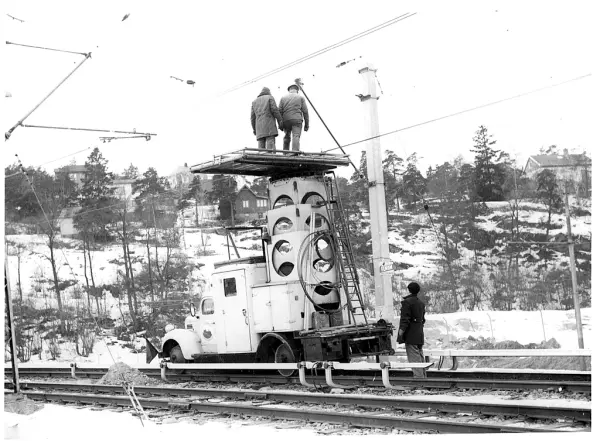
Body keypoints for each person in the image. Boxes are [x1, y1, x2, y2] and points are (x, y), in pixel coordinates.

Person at [397, 282, 427, 378]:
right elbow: (423, 319)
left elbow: (405, 319)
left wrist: (401, 331)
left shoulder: (407, 302)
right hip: (419, 333)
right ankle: (423, 377)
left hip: (411, 334)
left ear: (409, 290)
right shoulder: (421, 303)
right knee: (420, 355)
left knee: (414, 357)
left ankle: (419, 379)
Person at [278, 84, 309, 152]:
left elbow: (279, 111)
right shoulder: (300, 97)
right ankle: (294, 152)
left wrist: (280, 124)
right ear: (297, 90)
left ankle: (285, 152)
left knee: (287, 135)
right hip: (297, 119)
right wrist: (306, 125)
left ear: (289, 90)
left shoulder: (283, 98)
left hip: (286, 120)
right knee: (296, 135)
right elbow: (305, 111)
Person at [251, 87, 283, 151]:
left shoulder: (254, 102)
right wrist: (280, 121)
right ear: (268, 92)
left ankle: (261, 156)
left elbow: (252, 118)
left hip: (259, 128)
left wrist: (254, 129)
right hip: (269, 125)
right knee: (270, 145)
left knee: (261, 148)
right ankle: (271, 156)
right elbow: (275, 110)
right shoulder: (270, 97)